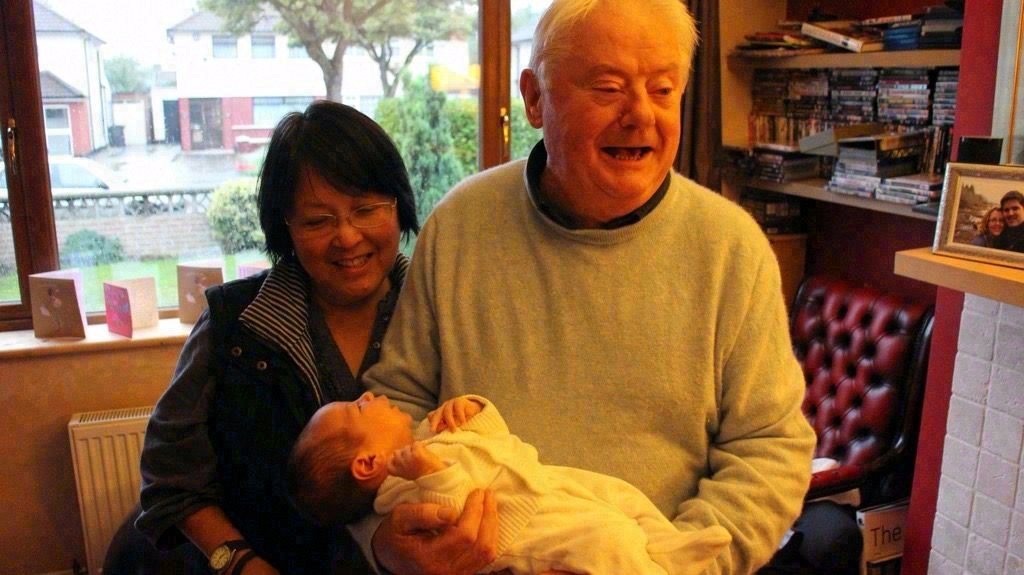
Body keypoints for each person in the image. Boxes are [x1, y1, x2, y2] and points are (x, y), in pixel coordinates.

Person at [355, 1, 818, 574]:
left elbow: (768, 447)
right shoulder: (460, 226)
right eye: (608, 88)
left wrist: (665, 568)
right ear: (534, 98)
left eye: (663, 90)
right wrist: (388, 542)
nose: (640, 115)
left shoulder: (731, 249)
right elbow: (395, 409)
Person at [135, 100, 419, 575]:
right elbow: (171, 478)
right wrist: (239, 562)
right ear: (285, 227)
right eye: (318, 220)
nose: (347, 237)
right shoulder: (234, 325)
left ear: (398, 206)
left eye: (366, 209)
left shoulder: (435, 314)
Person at [289, 393, 732, 575]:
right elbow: (455, 514)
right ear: (368, 464)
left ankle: (666, 548)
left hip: (545, 483)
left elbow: (495, 441)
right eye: (358, 408)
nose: (367, 395)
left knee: (621, 496)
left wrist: (472, 410)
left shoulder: (427, 436)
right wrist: (430, 473)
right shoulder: (398, 491)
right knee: (606, 540)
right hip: (528, 529)